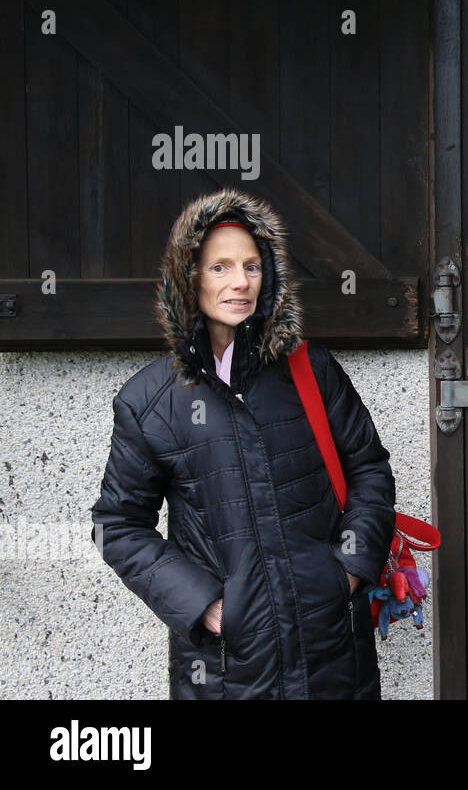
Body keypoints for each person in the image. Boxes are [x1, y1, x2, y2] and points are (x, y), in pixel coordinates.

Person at [90, 188, 396, 699]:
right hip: (228, 671)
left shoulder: (310, 371)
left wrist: (344, 572)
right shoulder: (149, 402)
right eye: (220, 268)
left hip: (334, 658)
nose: (240, 283)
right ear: (187, 280)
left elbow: (368, 469)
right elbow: (117, 526)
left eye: (252, 267)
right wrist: (205, 605)